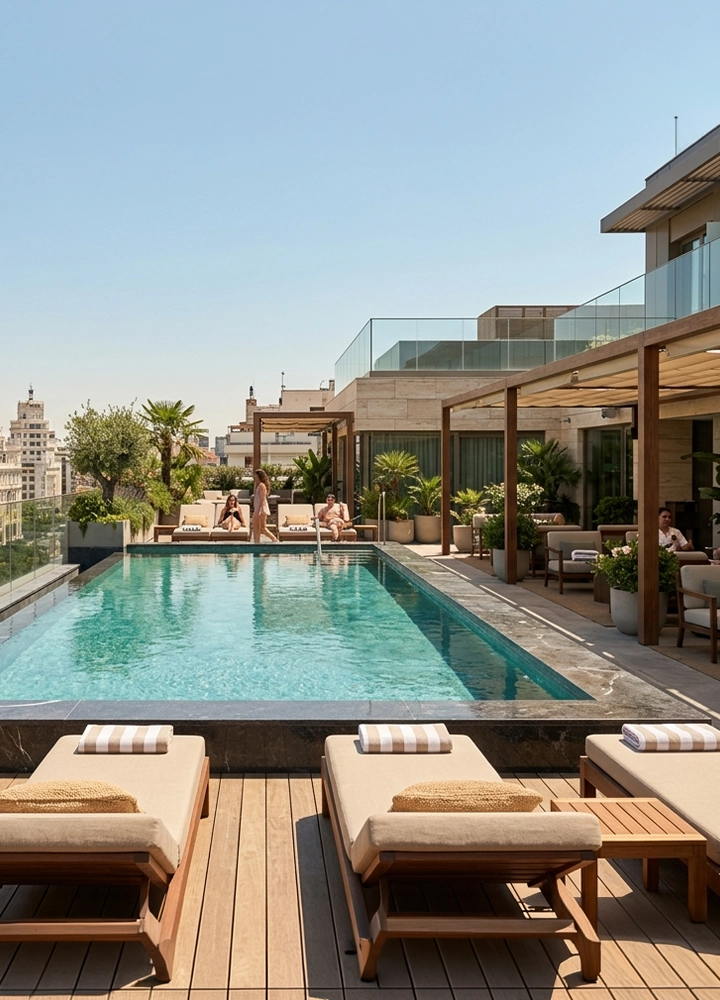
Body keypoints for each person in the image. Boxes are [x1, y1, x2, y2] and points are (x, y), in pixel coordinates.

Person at [253, 469, 278, 543]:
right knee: (256, 527)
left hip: (261, 509)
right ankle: (256, 542)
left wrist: (259, 510)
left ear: (258, 475)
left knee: (262, 528)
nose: (254, 476)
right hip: (258, 508)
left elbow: (262, 499)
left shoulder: (262, 486)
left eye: (255, 475)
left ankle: (274, 539)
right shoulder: (258, 485)